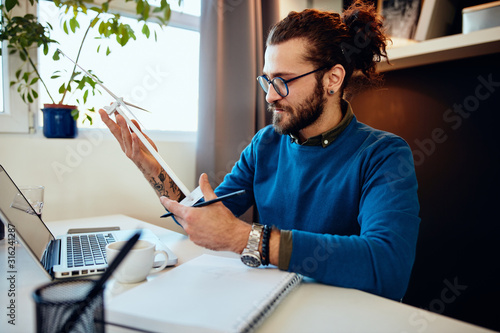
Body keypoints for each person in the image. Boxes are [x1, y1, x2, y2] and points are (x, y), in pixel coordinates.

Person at [99, 0, 420, 301]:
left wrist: (246, 238)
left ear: (332, 79)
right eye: (267, 81)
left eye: (282, 81)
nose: (269, 97)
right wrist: (150, 165)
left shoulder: (384, 155)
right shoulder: (266, 144)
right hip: (268, 304)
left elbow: (387, 266)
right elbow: (203, 220)